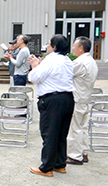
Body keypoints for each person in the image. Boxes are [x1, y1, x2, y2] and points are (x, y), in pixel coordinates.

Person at [27, 34, 75, 177]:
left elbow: (34, 77)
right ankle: (60, 164)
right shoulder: (67, 60)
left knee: (49, 132)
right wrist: (40, 66)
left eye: (48, 44)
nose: (47, 47)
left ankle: (46, 166)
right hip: (67, 98)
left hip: (52, 100)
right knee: (61, 133)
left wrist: (34, 66)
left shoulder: (51, 59)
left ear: (54, 47)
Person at [66, 36, 98, 165]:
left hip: (77, 98)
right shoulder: (91, 61)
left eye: (75, 45)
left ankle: (74, 155)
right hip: (85, 98)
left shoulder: (80, 62)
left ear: (81, 48)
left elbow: (66, 72)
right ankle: (84, 152)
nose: (73, 48)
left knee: (75, 128)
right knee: (83, 127)